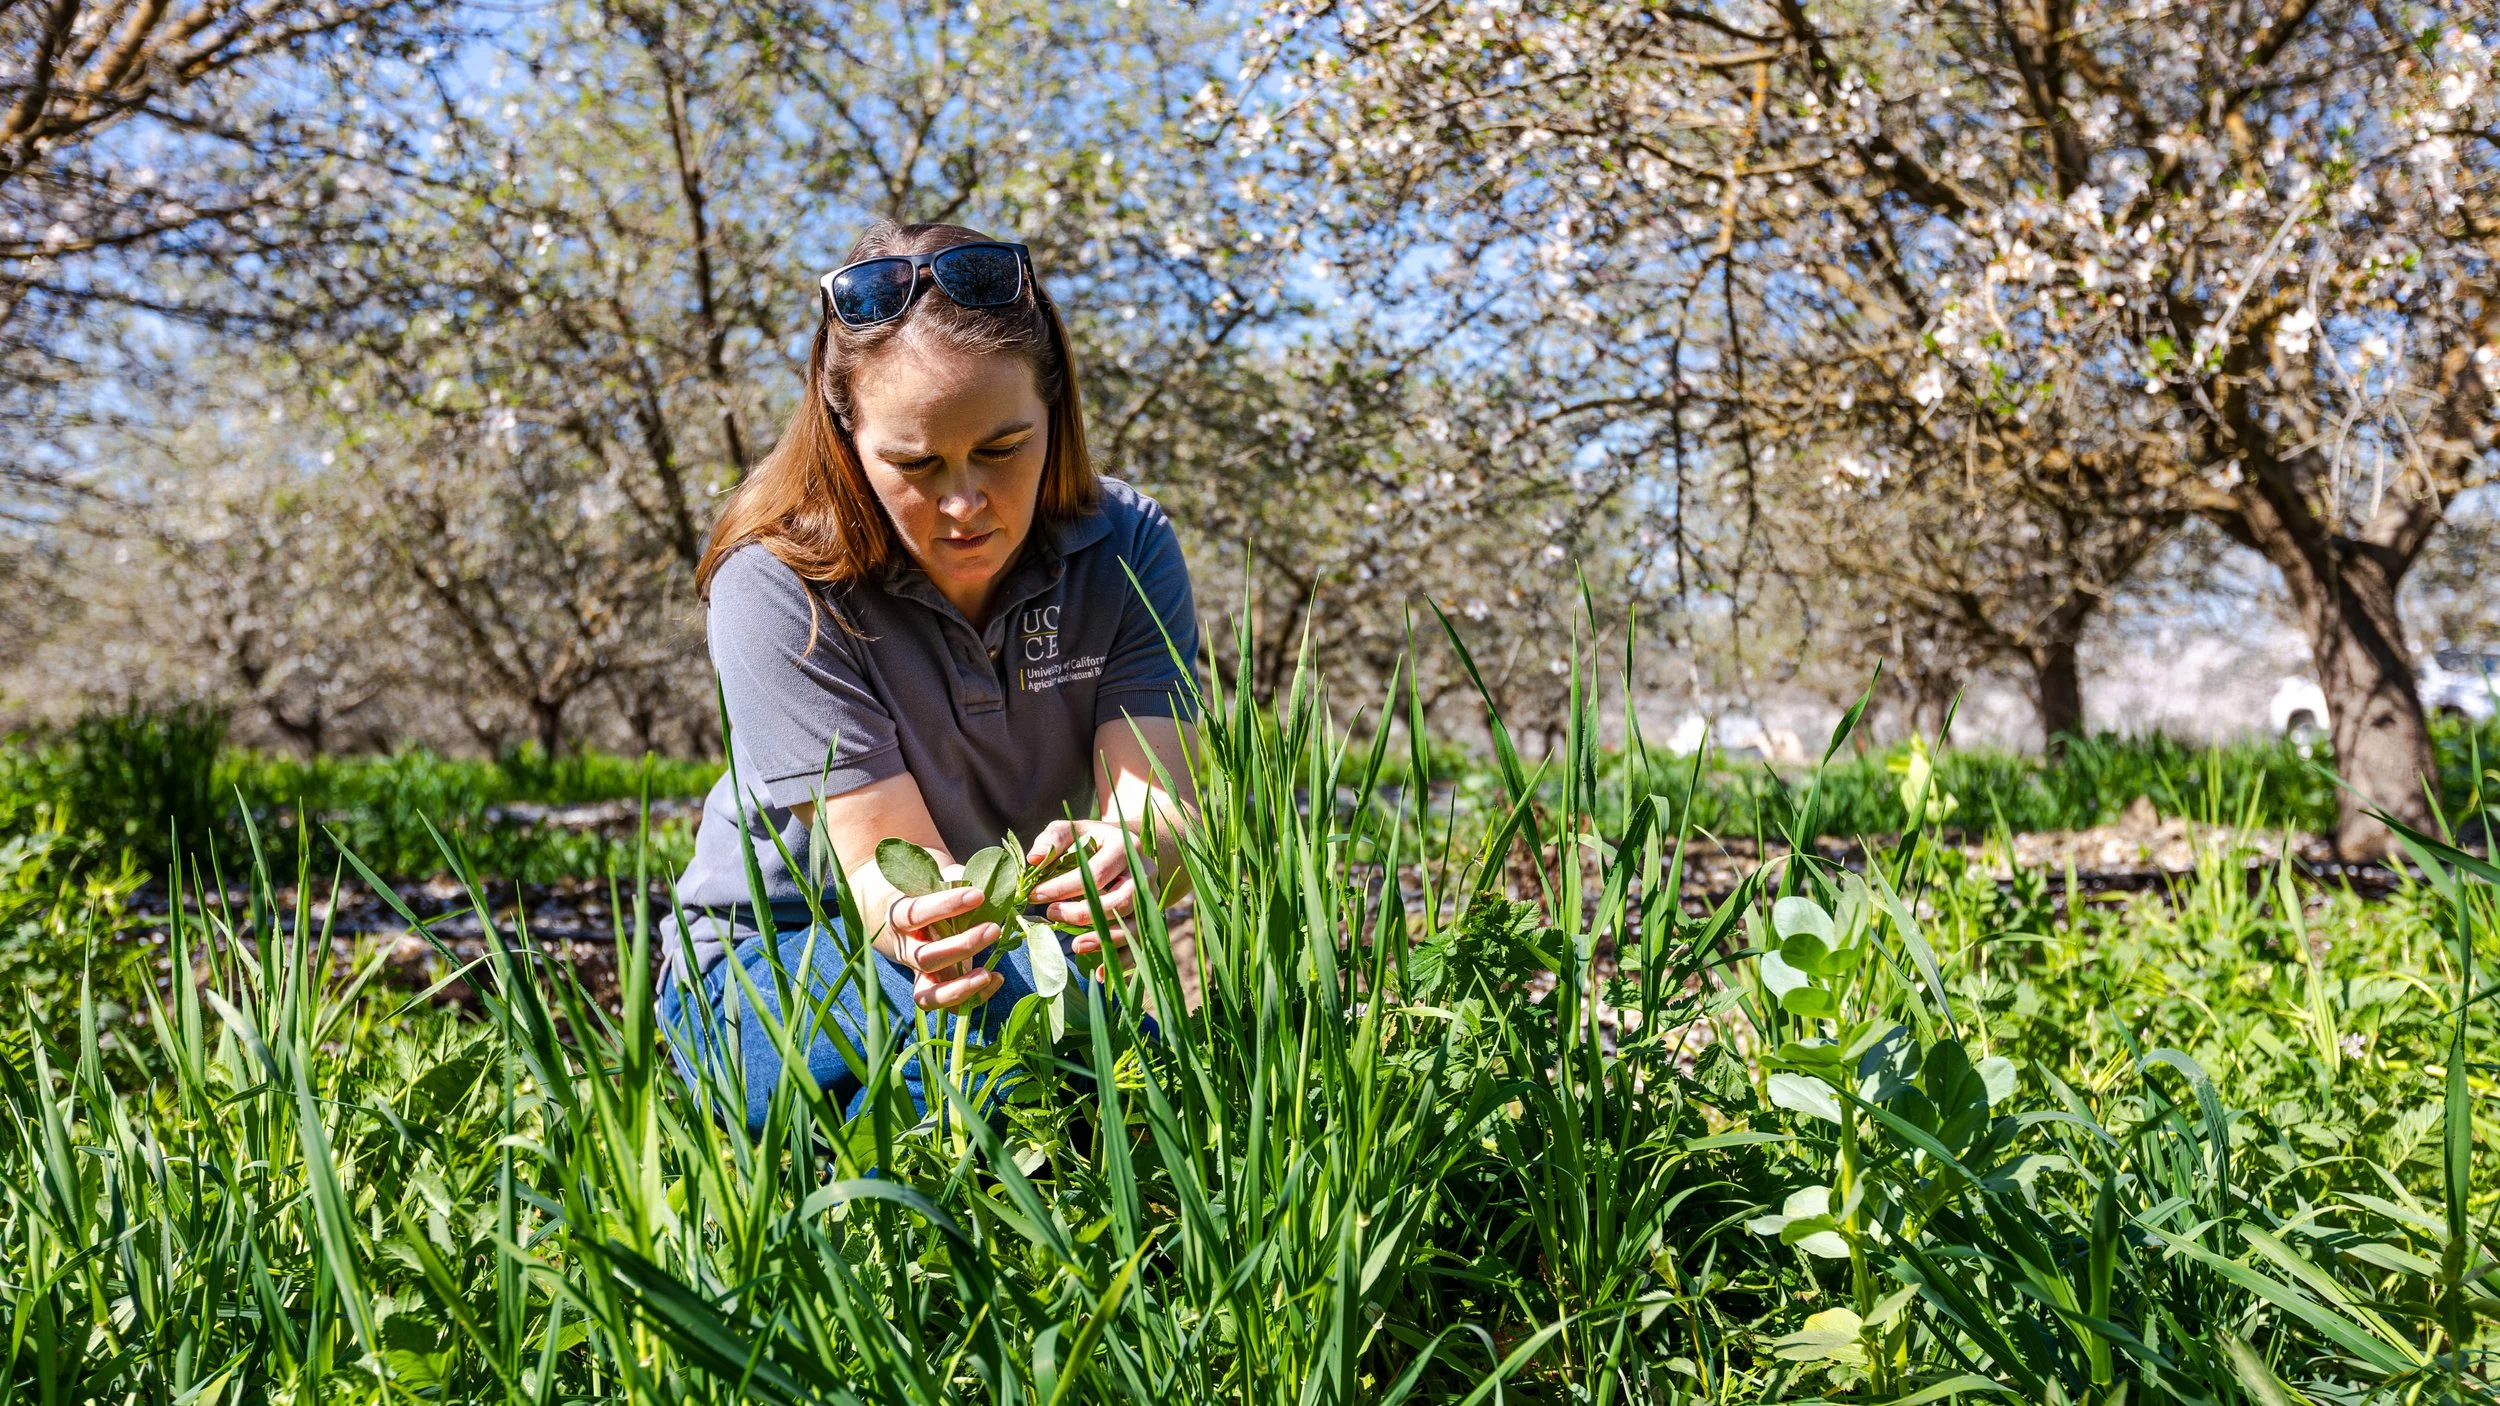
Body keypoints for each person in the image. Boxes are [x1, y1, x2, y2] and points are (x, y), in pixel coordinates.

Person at [656, 221, 1199, 1132]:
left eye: (1002, 449)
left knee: (1032, 1080)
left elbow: (1159, 803)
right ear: (844, 436)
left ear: (1056, 413)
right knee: (1013, 1082)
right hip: (770, 955)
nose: (963, 503)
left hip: (1002, 950)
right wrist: (921, 924)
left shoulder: (1130, 546)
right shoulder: (775, 582)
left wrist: (1137, 852)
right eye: (913, 464)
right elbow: (882, 870)